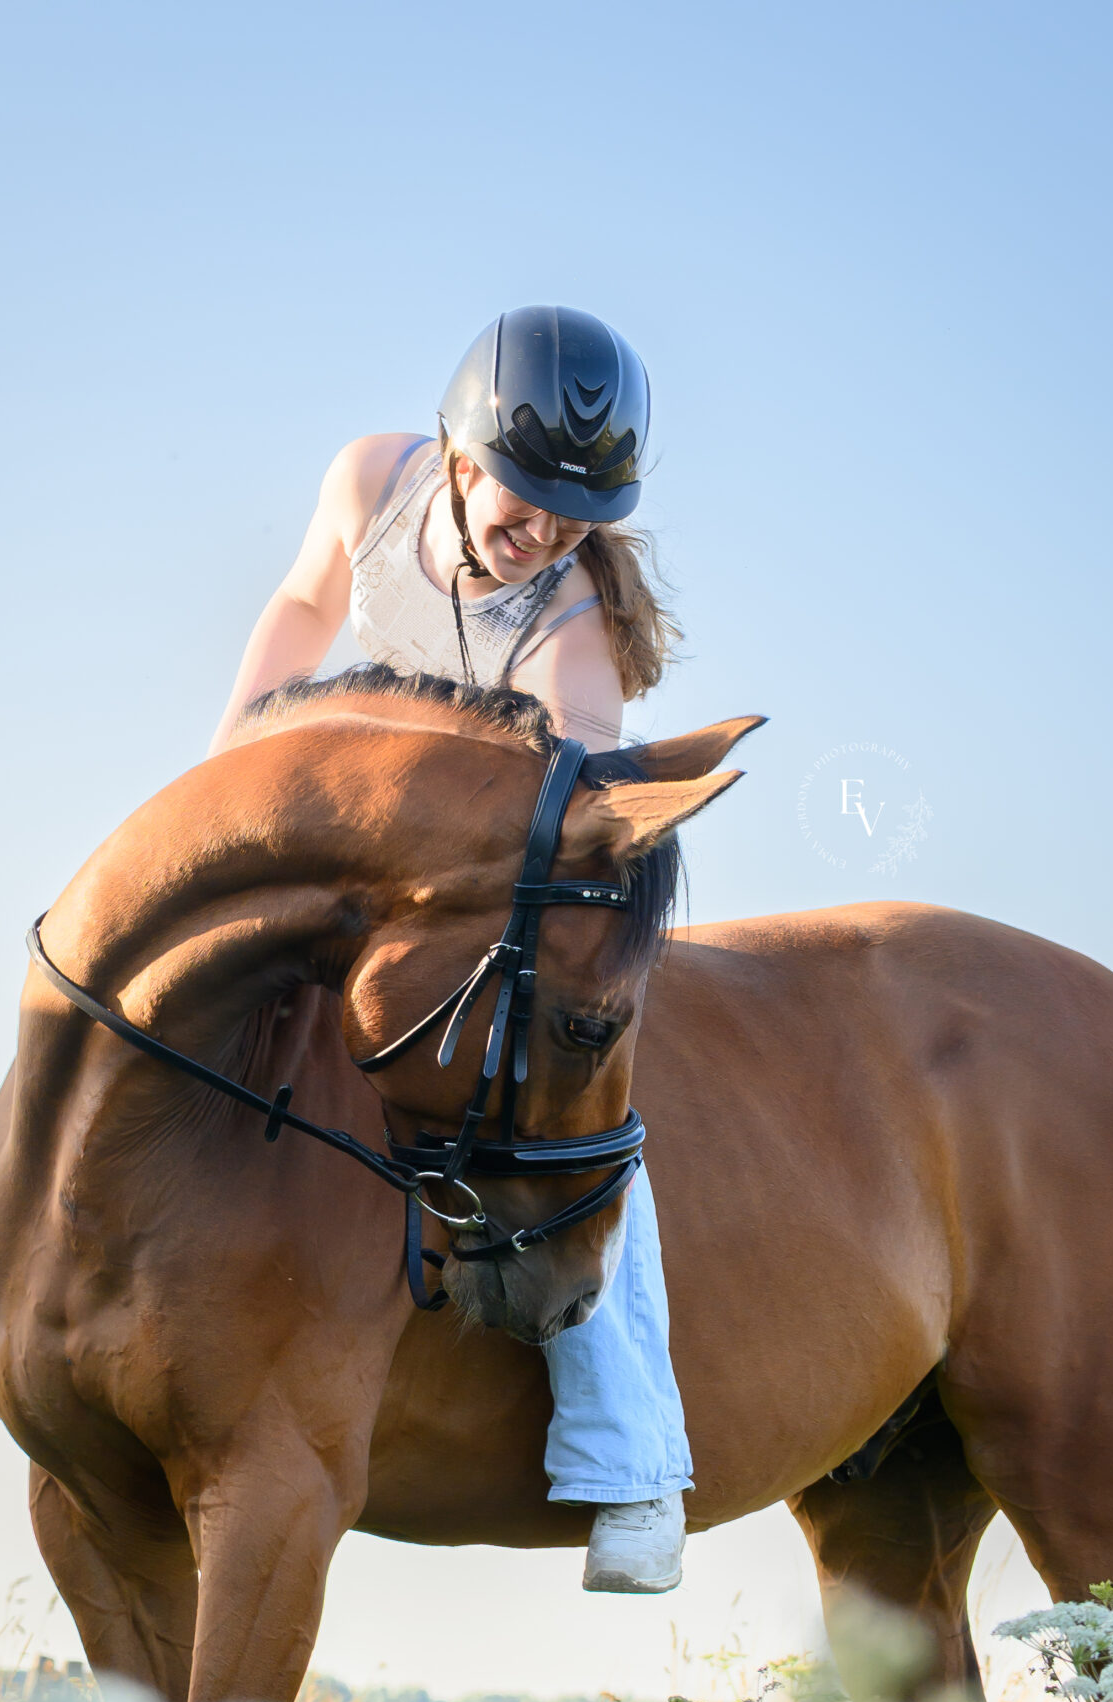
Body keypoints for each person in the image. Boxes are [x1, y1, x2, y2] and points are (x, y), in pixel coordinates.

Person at [211, 307, 692, 1594]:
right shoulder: (370, 478)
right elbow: (308, 600)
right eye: (526, 503)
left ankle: (634, 1462)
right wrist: (227, 773)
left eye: (575, 518)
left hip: (508, 861)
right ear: (457, 454)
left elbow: (577, 807)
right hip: (369, 810)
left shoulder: (573, 630)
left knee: (559, 1085)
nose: (544, 534)